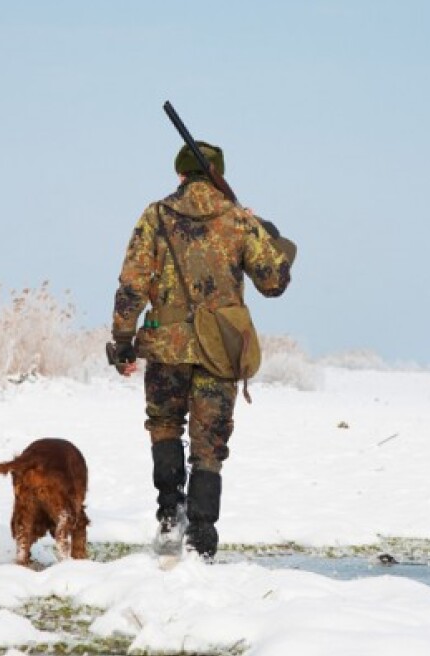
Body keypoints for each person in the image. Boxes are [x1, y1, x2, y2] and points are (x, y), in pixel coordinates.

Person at [108, 141, 297, 559]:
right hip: (221, 350)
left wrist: (123, 341)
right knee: (209, 444)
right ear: (217, 174)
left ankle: (168, 518)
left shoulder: (155, 215)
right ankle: (202, 538)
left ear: (180, 174)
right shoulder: (237, 219)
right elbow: (274, 283)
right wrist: (264, 231)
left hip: (165, 346)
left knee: (164, 426)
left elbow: (132, 284)